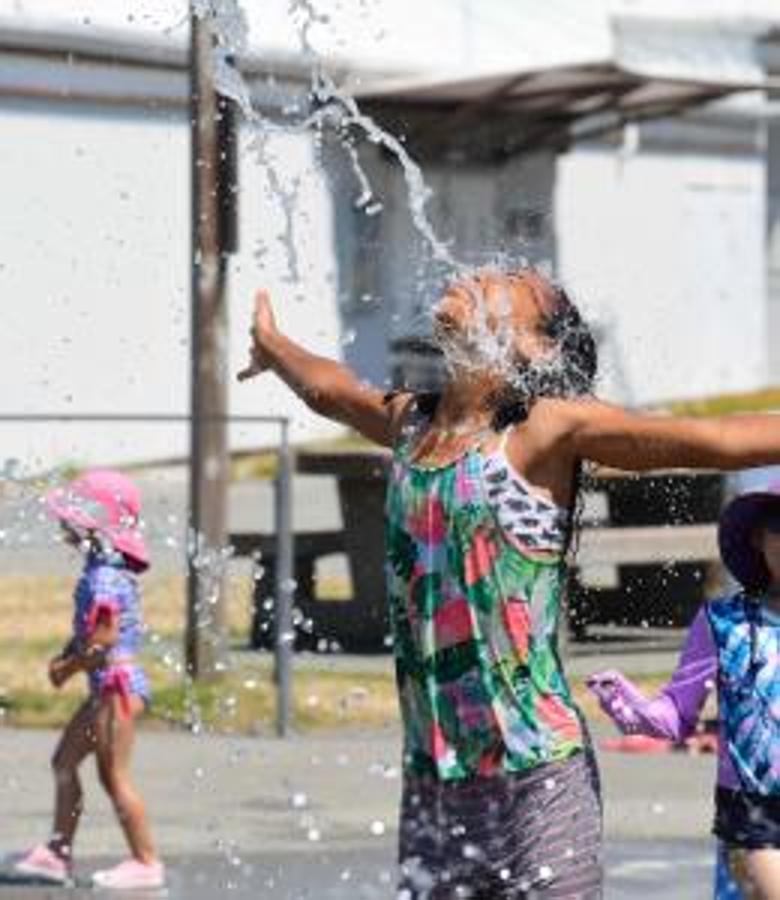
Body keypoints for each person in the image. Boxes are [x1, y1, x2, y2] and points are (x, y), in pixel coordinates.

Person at [240, 270, 780, 898]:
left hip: (540, 778)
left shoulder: (541, 432)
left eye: (507, 281)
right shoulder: (413, 423)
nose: (476, 276)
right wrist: (276, 347)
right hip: (434, 784)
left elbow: (716, 439)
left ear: (537, 347)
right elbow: (331, 390)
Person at [589, 483, 780, 900]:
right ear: (758, 538)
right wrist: (634, 711)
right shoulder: (724, 622)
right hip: (754, 816)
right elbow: (677, 715)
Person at [11, 469, 164, 891]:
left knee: (114, 776)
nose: (63, 526)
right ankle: (57, 853)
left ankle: (145, 860)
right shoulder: (102, 569)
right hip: (105, 688)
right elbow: (90, 635)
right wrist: (71, 654)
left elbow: (102, 641)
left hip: (115, 688)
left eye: (70, 519)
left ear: (93, 524)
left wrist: (67, 668)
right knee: (64, 763)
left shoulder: (104, 577)